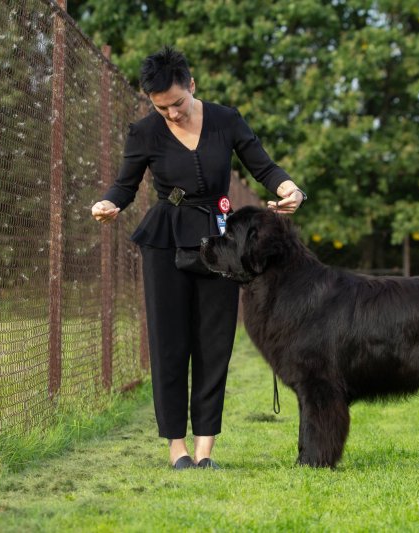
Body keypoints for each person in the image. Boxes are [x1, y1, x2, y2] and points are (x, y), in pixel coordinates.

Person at [91, 47, 305, 470]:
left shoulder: (227, 119)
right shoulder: (144, 132)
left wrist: (289, 189)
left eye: (177, 103)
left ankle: (205, 451)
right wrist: (106, 204)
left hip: (220, 244)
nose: (171, 113)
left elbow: (264, 167)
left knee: (214, 343)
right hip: (165, 240)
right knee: (169, 344)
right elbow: (124, 185)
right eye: (161, 107)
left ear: (192, 85)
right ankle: (178, 449)